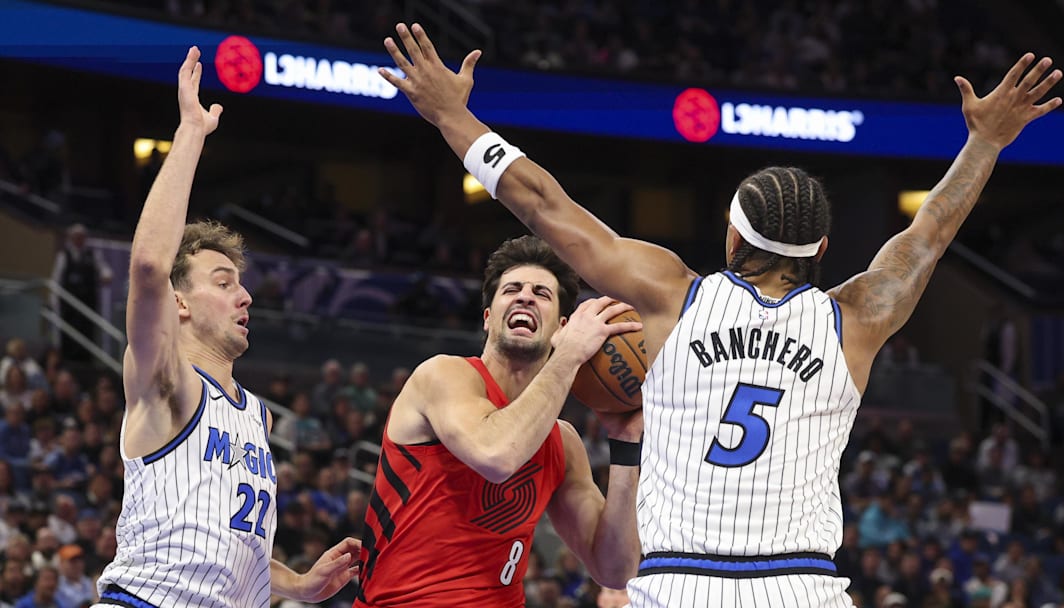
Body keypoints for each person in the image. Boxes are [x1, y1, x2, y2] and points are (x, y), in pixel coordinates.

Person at [379, 23, 1063, 607]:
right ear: (821, 249)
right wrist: (985, 143)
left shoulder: (670, 294)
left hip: (676, 582)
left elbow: (543, 204)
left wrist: (451, 117)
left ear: (732, 237)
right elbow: (928, 237)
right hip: (804, 587)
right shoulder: (855, 321)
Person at [91, 47, 360, 608]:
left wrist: (298, 584)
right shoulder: (166, 379)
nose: (244, 295)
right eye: (221, 281)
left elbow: (228, 536)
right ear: (179, 302)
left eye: (241, 282)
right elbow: (147, 267)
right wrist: (191, 131)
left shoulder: (256, 413)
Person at [352, 235, 643, 606]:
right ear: (488, 318)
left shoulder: (563, 443)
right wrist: (568, 357)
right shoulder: (444, 375)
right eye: (512, 289)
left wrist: (625, 445)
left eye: (542, 293)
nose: (525, 296)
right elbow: (496, 455)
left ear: (561, 327)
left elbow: (615, 569)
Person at [50, 223, 113, 362]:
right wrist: (55, 301)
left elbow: (104, 270)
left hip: (87, 302)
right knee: (69, 332)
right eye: (76, 237)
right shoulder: (64, 256)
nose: (79, 240)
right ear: (71, 238)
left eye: (82, 237)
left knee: (87, 331)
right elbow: (56, 280)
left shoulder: (92, 254)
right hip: (69, 304)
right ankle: (68, 358)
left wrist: (106, 275)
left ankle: (85, 359)